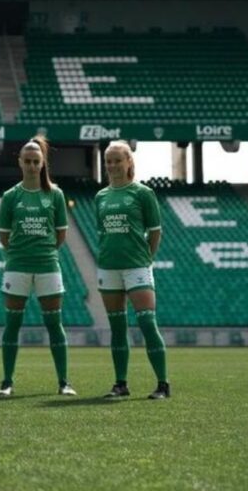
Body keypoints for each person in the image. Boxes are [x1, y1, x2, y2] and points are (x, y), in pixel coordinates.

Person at [0, 137, 75, 397]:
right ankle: (7, 382)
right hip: (17, 265)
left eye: (35, 161)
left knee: (54, 324)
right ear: (20, 162)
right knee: (12, 324)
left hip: (47, 265)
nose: (31, 166)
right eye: (27, 161)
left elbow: (60, 235)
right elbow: (4, 236)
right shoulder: (10, 196)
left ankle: (64, 382)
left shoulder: (56, 194)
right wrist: (20, 253)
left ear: (42, 164)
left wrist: (42, 252)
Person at [96, 140, 170, 400]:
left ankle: (162, 384)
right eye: (109, 161)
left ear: (129, 162)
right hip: (108, 267)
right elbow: (102, 232)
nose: (113, 165)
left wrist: (146, 258)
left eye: (118, 160)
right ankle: (120, 384)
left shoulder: (142, 193)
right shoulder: (101, 196)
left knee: (147, 322)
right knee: (117, 328)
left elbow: (155, 231)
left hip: (137, 266)